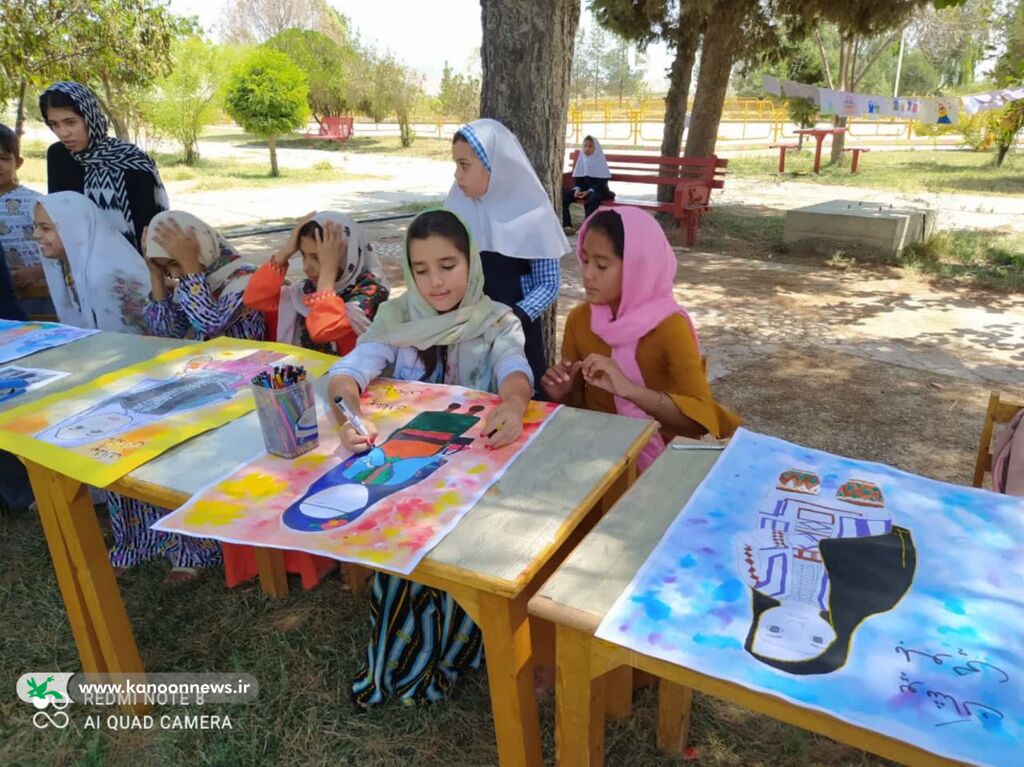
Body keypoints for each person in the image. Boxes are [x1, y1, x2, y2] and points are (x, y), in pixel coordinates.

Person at [326, 209, 533, 706]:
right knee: (406, 562)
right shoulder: (396, 319)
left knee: (455, 567)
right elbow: (346, 375)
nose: (436, 282)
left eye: (448, 265)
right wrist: (347, 419)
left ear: (471, 263)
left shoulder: (496, 319)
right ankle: (404, 660)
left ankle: (447, 647)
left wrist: (514, 404)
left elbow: (515, 369)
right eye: (421, 270)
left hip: (477, 480)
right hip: (412, 480)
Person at [541, 208, 739, 472]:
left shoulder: (669, 326)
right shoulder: (581, 319)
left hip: (665, 463)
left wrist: (631, 391)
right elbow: (580, 408)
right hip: (600, 458)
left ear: (638, 267)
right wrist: (563, 394)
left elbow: (698, 420)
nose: (588, 274)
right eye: (585, 260)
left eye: (602, 265)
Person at [445, 118, 568, 396]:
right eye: (456, 165)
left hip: (517, 334)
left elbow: (547, 284)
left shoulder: (533, 213)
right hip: (466, 333)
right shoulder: (455, 211)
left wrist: (513, 317)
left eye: (464, 165)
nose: (457, 175)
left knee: (518, 404)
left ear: (493, 166)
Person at [39, 81, 167, 251]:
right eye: (54, 124)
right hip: (75, 261)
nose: (63, 133)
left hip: (131, 265)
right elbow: (58, 217)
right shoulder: (58, 156)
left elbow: (148, 230)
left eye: (70, 122)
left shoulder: (132, 162)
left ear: (90, 117)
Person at [243, 212, 389, 353]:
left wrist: (327, 270)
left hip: (351, 376)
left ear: (346, 255)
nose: (307, 267)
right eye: (303, 255)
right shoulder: (307, 289)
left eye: (318, 258)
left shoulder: (371, 290)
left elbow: (324, 328)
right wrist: (286, 251)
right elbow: (255, 299)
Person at [32, 192, 149, 334]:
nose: (36, 235)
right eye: (36, 226)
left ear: (75, 230)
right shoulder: (69, 264)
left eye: (45, 228)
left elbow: (122, 340)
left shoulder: (104, 276)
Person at [143, 211, 263, 341]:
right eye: (166, 269)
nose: (174, 274)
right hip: (203, 359)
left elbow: (211, 325)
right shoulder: (190, 283)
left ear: (202, 249)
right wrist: (156, 275)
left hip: (243, 360)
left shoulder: (246, 277)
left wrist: (190, 263)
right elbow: (166, 332)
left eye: (176, 263)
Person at [0, 124, 51, 317]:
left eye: (4, 158)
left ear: (18, 162)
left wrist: (35, 272)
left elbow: (63, 250)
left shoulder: (36, 203)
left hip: (39, 294)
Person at [562, 135, 614, 232]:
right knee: (564, 196)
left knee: (593, 199)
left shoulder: (599, 160)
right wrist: (577, 189)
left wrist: (589, 191)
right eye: (585, 146)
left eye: (590, 146)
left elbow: (602, 182)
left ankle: (587, 227)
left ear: (595, 148)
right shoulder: (582, 159)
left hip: (598, 190)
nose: (587, 149)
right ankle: (567, 225)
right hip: (582, 190)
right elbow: (578, 179)